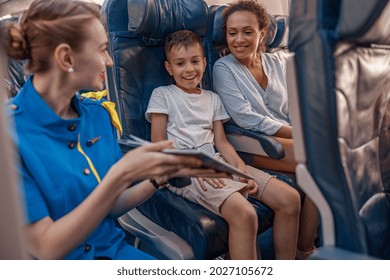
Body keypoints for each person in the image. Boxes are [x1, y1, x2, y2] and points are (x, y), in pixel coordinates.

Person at [3, 0, 218, 260]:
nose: (109, 61)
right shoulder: (9, 136)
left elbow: (112, 207)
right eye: (103, 49)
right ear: (66, 58)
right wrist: (121, 174)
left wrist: (157, 177)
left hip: (115, 252)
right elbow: (46, 249)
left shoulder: (98, 115)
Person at [146, 30, 302, 260]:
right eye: (180, 63)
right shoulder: (162, 95)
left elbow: (222, 142)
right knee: (246, 214)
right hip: (184, 169)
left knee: (290, 199)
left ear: (204, 62)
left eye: (195, 61)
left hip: (217, 162)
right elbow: (158, 144)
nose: (189, 69)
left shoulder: (213, 98)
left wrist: (240, 170)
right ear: (169, 68)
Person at [212, 0, 318, 259]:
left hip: (284, 140)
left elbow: (292, 107)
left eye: (247, 31)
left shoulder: (275, 63)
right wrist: (300, 135)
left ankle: (304, 247)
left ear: (263, 33)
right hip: (252, 143)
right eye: (232, 32)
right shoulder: (223, 68)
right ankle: (305, 249)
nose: (238, 40)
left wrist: (306, 130)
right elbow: (246, 118)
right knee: (322, 166)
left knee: (329, 158)